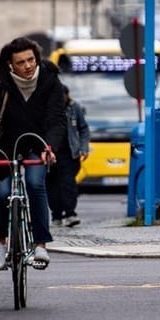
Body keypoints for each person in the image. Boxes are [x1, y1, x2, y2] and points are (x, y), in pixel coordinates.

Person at [0, 36, 65, 272]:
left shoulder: (50, 81)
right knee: (2, 193)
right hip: (3, 145)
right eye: (21, 62)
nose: (27, 66)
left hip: (37, 144)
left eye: (31, 60)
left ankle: (40, 245)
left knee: (36, 185)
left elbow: (57, 120)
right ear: (10, 64)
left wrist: (50, 147)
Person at [50, 92, 91, 229]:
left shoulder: (74, 108)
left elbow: (83, 128)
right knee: (53, 186)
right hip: (51, 153)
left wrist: (84, 148)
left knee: (69, 184)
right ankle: (56, 215)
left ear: (67, 95)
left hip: (70, 153)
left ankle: (70, 214)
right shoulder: (48, 106)